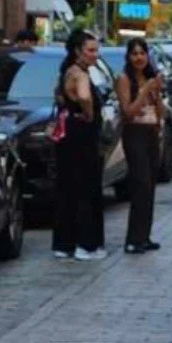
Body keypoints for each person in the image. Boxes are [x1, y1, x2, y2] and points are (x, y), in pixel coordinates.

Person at [51, 29, 107, 261]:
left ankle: (64, 244)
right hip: (82, 137)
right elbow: (84, 96)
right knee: (86, 187)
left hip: (69, 138)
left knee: (68, 189)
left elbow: (61, 97)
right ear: (78, 52)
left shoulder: (67, 72)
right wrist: (89, 112)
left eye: (96, 50)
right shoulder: (80, 74)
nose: (95, 55)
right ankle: (86, 244)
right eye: (90, 50)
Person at [115, 38, 165, 254]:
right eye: (134, 54)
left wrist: (157, 93)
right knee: (140, 182)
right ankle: (132, 239)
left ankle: (144, 235)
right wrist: (145, 90)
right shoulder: (124, 79)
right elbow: (128, 111)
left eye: (142, 53)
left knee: (151, 184)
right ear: (128, 56)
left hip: (151, 132)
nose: (139, 58)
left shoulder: (150, 78)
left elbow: (160, 112)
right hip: (134, 133)